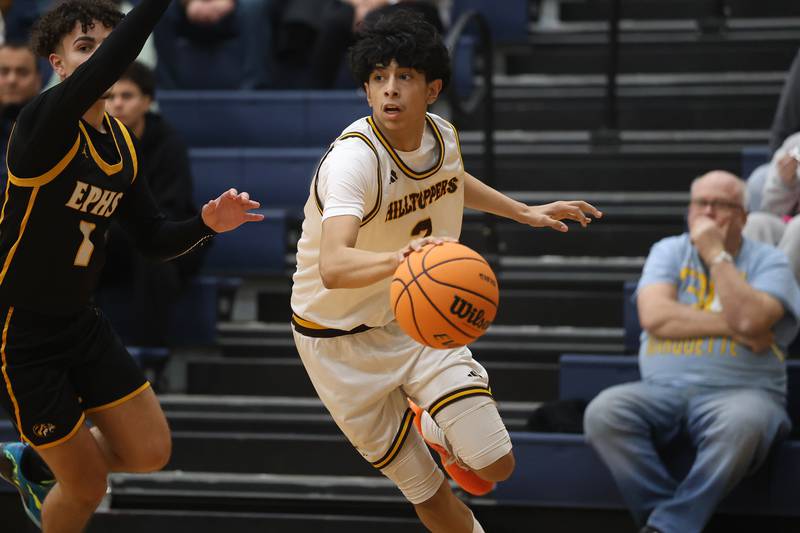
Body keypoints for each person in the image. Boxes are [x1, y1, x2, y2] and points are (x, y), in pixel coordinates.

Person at [291, 10, 602, 533]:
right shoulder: (354, 161)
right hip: (336, 341)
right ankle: (429, 427)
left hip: (411, 321)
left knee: (495, 466)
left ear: (432, 89)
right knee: (430, 496)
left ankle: (432, 422)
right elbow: (335, 265)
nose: (390, 90)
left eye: (405, 77)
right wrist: (405, 261)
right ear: (366, 91)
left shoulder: (442, 135)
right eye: (378, 78)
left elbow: (451, 177)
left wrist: (525, 211)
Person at [0, 1, 263, 532]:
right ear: (58, 63)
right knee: (86, 486)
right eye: (85, 47)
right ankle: (53, 472)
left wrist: (208, 224)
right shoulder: (43, 123)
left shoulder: (123, 142)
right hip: (19, 329)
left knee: (150, 452)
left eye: (107, 44)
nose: (100, 57)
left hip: (81, 322)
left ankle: (33, 462)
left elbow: (153, 240)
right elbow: (112, 58)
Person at [584, 170, 800, 533]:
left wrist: (717, 256)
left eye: (722, 205)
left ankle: (668, 525)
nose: (709, 213)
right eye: (701, 203)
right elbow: (654, 317)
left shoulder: (770, 261)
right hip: (660, 391)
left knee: (743, 424)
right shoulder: (668, 251)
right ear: (689, 211)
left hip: (745, 394)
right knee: (604, 412)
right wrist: (738, 325)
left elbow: (751, 319)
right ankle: (670, 519)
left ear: (744, 216)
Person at [102, 61, 204, 353]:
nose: (117, 104)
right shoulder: (96, 141)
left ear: (147, 101)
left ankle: (150, 355)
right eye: (111, 97)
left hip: (170, 239)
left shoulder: (168, 143)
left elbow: (171, 210)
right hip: (112, 241)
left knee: (152, 256)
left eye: (127, 96)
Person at [743, 132, 800, 283]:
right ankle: (749, 292)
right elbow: (771, 209)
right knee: (755, 223)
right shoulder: (794, 143)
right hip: (790, 223)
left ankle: (778, 294)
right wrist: (786, 184)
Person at [0, 42, 43, 167]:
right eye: (4, 71)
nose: (12, 80)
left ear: (38, 80)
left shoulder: (53, 128)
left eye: (22, 72)